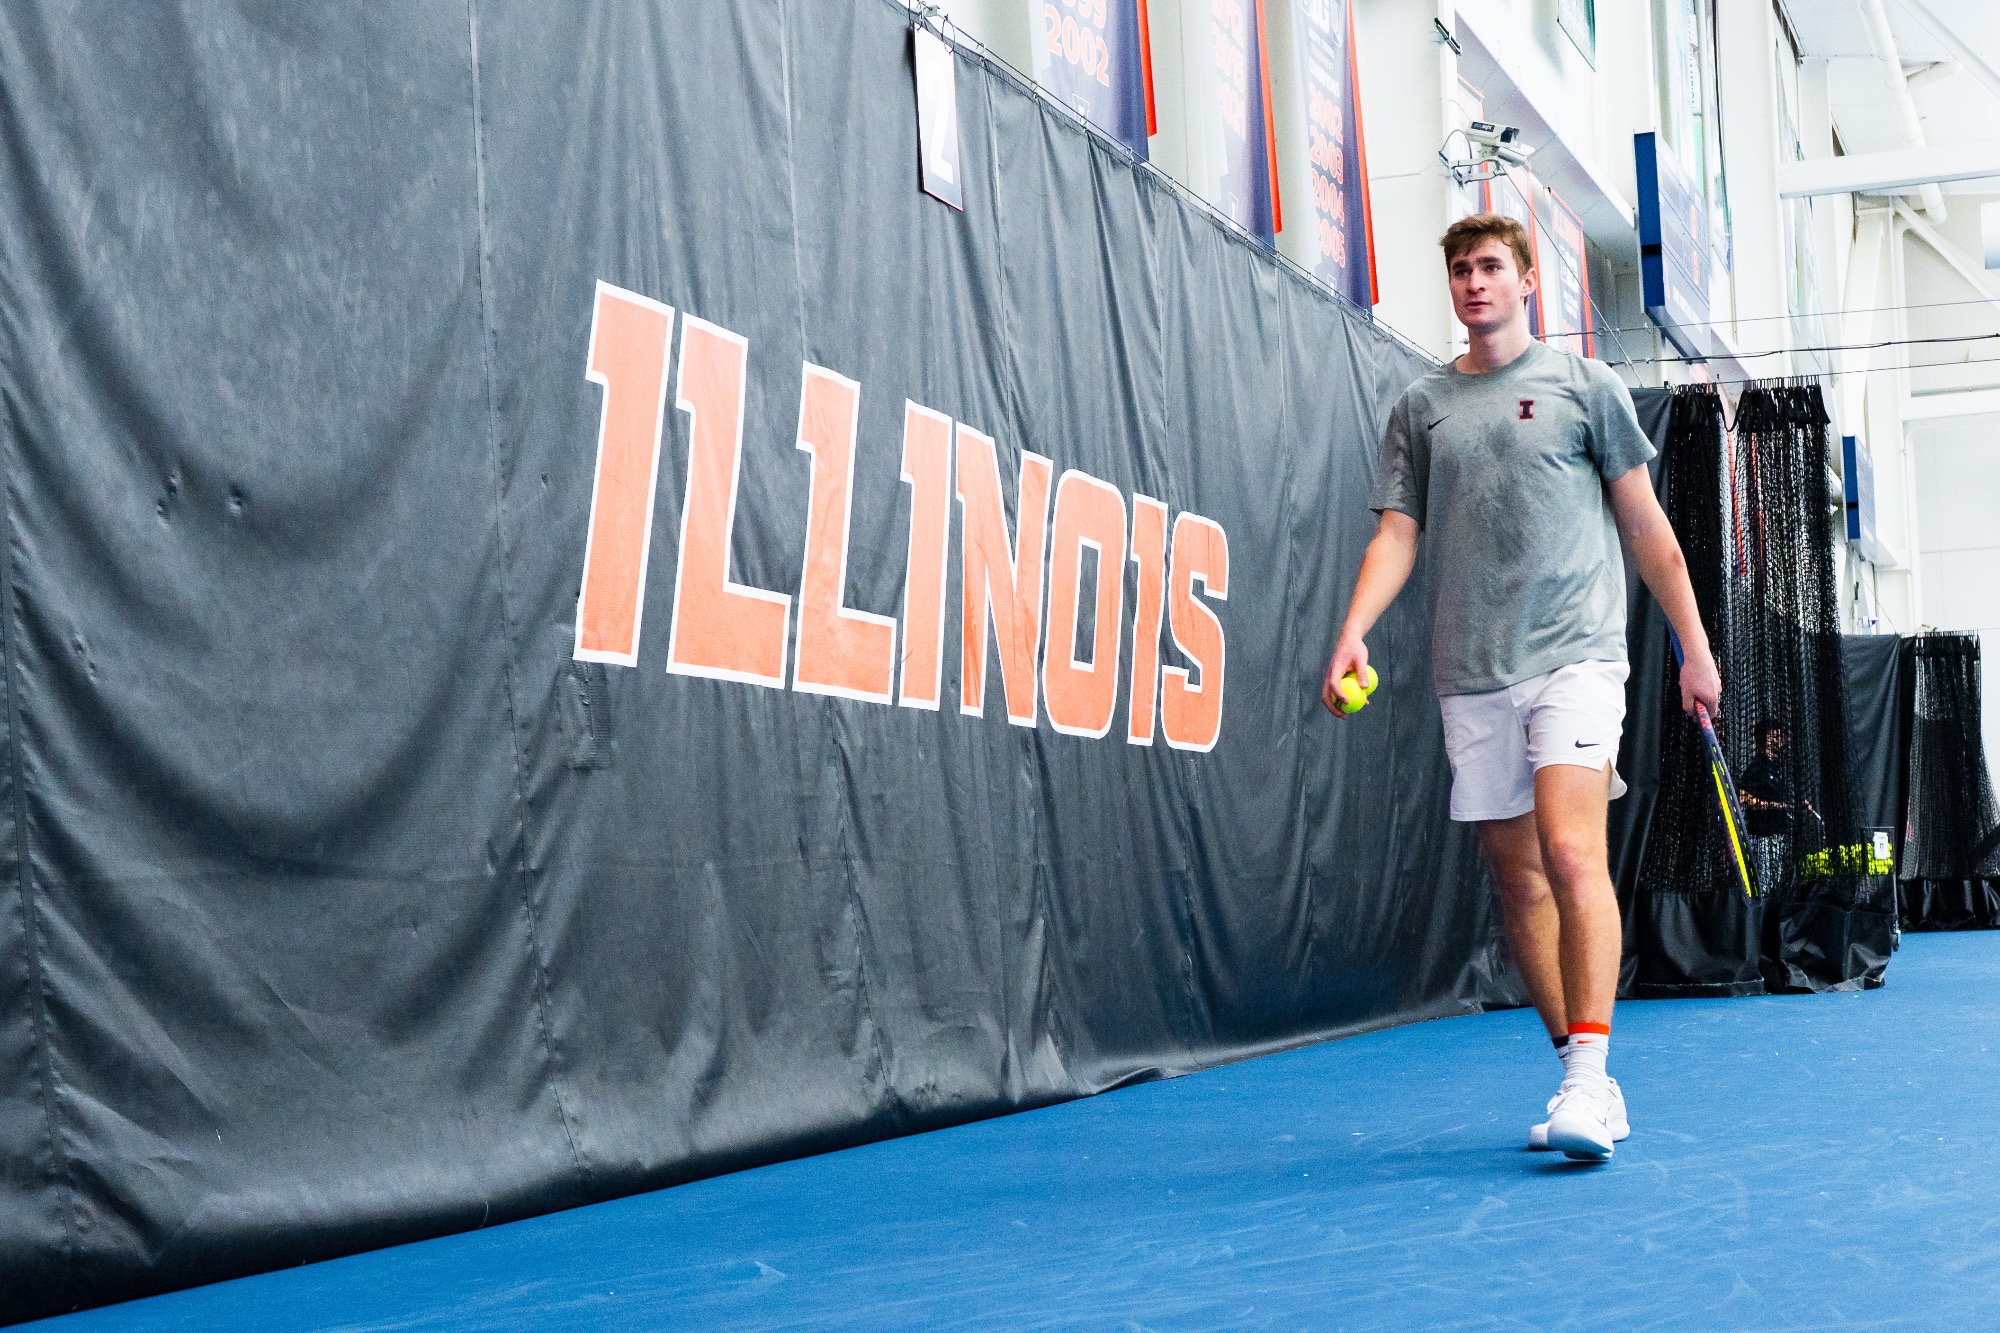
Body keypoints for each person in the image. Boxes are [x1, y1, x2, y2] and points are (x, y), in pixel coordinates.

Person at [1321, 213, 1722, 1162]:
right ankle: (1581, 1068)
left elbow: (1648, 530)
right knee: (1519, 877)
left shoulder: (1585, 386)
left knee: (1573, 853)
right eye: (1459, 268)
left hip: (1579, 654)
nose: (1474, 281)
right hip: (1471, 670)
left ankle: (1588, 1079)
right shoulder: (1421, 407)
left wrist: (1693, 648)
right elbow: (1397, 534)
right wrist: (1352, 627)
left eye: (1491, 266)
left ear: (1527, 280)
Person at [1738, 719, 1796, 895]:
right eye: (1778, 735)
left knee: (1777, 888)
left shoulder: (1776, 769)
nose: (1783, 740)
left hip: (1778, 837)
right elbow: (1742, 797)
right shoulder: (1758, 768)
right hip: (1763, 839)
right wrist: (1773, 806)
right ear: (1768, 738)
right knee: (1763, 889)